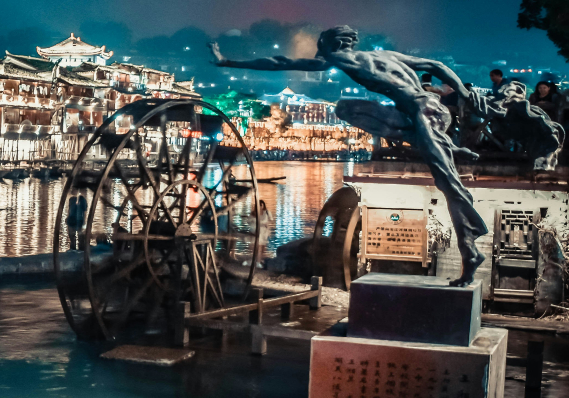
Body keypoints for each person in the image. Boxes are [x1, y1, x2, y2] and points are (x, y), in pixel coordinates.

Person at [209, 26, 490, 286]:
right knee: (345, 108)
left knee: (449, 184)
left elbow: (281, 63)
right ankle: (444, 147)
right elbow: (435, 65)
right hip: (424, 111)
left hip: (421, 112)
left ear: (328, 46)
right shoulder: (382, 55)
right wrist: (464, 92)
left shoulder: (342, 59)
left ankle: (470, 252)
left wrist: (228, 62)